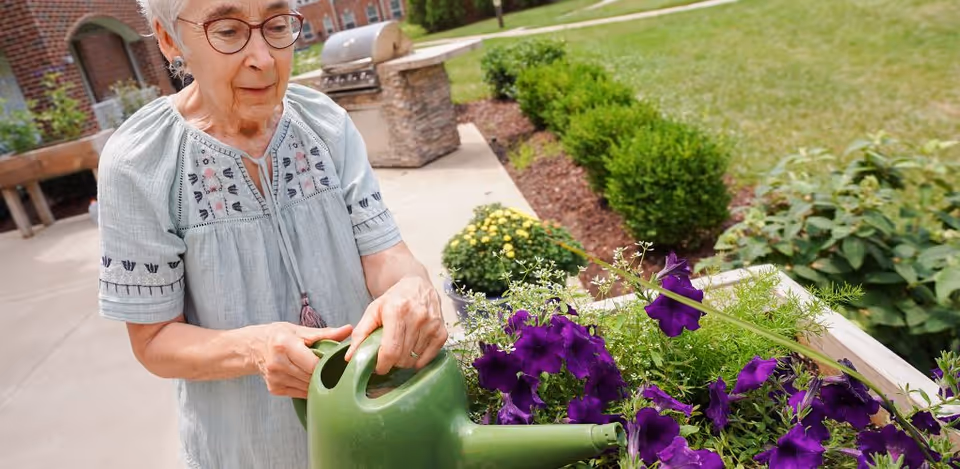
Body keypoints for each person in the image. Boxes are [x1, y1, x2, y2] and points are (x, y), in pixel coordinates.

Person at [96, 0, 447, 467]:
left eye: (278, 25)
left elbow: (385, 253)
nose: (263, 57)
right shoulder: (140, 163)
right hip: (249, 450)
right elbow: (154, 340)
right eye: (227, 31)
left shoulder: (324, 122)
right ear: (168, 39)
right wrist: (255, 348)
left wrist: (411, 287)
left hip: (377, 429)